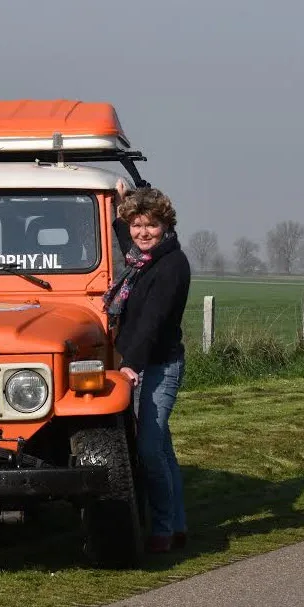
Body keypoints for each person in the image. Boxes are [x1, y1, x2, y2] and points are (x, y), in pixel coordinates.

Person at [103, 182, 191, 554]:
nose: (142, 233)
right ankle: (178, 524)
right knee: (162, 449)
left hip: (159, 364)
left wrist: (131, 365)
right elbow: (125, 236)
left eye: (150, 225)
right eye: (137, 225)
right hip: (141, 362)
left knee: (150, 447)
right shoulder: (143, 260)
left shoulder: (170, 266)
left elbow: (152, 323)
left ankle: (162, 529)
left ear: (165, 225)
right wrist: (125, 203)